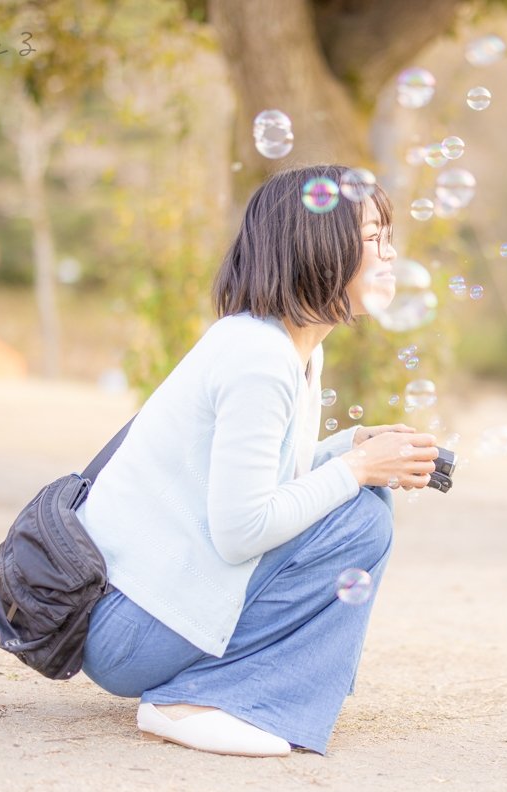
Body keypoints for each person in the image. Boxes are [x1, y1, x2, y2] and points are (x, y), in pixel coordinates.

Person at [77, 164, 439, 758]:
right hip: (128, 626)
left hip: (143, 612)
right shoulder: (259, 358)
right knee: (362, 512)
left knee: (367, 497)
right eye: (372, 237)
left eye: (386, 235)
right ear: (317, 247)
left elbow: (257, 481)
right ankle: (191, 700)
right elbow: (241, 528)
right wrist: (354, 469)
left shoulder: (285, 347)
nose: (390, 252)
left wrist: (349, 452)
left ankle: (228, 692)